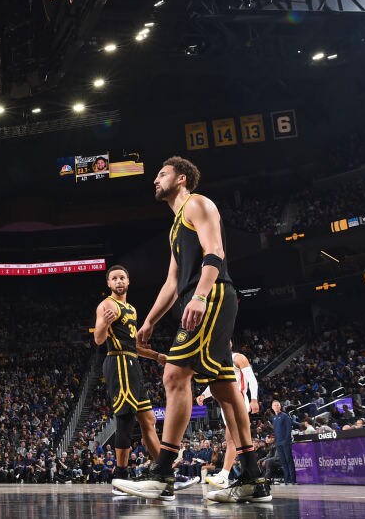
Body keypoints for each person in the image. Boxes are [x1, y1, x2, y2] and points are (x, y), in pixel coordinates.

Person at [113, 157, 270, 504]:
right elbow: (171, 282)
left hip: (210, 294)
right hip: (198, 297)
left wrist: (199, 295)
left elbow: (216, 252)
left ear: (181, 178)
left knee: (174, 375)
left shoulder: (198, 203)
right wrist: (150, 320)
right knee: (226, 389)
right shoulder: (174, 227)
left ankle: (163, 474)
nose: (155, 179)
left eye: (162, 174)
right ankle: (254, 480)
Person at [91, 264, 164, 492]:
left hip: (132, 363)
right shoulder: (107, 305)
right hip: (118, 362)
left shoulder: (131, 309)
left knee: (149, 419)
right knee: (125, 419)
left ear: (128, 281)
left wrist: (156, 355)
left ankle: (163, 471)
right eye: (114, 279)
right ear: (109, 284)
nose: (119, 281)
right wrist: (103, 323)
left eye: (122, 277)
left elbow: (133, 345)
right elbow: (99, 340)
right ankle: (120, 478)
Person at [197, 345, 260, 488]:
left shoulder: (238, 358)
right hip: (225, 404)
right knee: (232, 441)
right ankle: (246, 474)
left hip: (239, 400)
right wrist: (203, 395)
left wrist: (254, 399)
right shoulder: (217, 362)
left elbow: (251, 379)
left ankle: (226, 474)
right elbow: (215, 385)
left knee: (234, 440)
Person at [270, 400, 296, 484]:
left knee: (289, 460)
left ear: (280, 406)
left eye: (277, 405)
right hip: (278, 443)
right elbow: (276, 431)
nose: (276, 407)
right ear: (272, 407)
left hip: (286, 442)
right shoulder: (273, 418)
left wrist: (286, 440)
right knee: (283, 461)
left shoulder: (285, 416)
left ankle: (293, 479)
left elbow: (289, 429)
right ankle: (286, 479)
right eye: (274, 405)